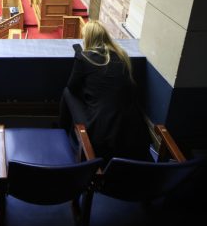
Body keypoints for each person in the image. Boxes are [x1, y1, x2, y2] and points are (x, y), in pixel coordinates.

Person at [59, 21, 151, 163]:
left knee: (67, 92)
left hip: (101, 130)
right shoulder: (122, 56)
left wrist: (79, 54)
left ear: (88, 39)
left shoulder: (84, 57)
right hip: (133, 130)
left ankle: (63, 132)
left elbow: (72, 87)